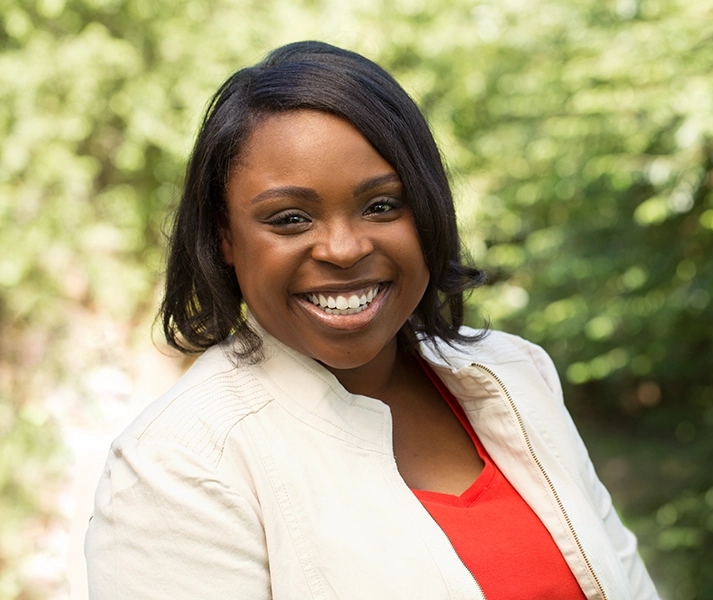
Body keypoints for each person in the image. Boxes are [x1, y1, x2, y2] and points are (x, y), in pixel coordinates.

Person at [85, 41, 660, 600]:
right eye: (290, 218)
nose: (343, 248)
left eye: (381, 205)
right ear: (224, 238)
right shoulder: (177, 469)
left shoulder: (515, 374)